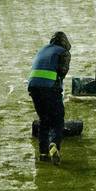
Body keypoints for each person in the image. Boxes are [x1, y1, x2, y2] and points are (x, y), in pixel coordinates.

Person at [28, 31, 71, 165]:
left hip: (33, 86)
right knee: (58, 119)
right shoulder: (63, 52)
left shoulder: (42, 50)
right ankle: (54, 145)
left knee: (44, 120)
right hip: (49, 87)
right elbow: (62, 71)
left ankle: (43, 154)